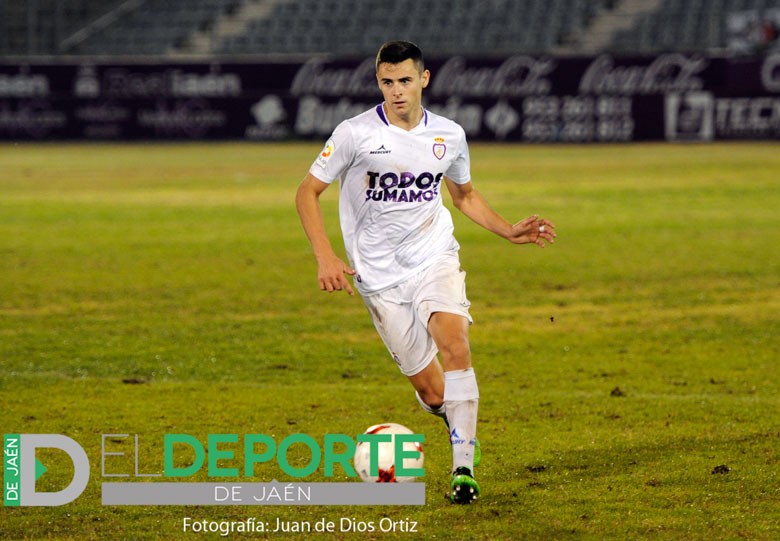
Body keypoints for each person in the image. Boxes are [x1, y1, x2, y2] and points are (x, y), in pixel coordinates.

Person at [295, 40, 556, 504]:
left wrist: (507, 230)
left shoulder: (449, 135)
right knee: (435, 392)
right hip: (379, 278)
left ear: (424, 79)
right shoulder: (355, 134)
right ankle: (451, 414)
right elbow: (306, 192)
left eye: (405, 81)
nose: (396, 91)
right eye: (387, 82)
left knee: (455, 343)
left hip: (434, 255)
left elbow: (464, 196)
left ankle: (463, 468)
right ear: (379, 82)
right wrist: (325, 256)